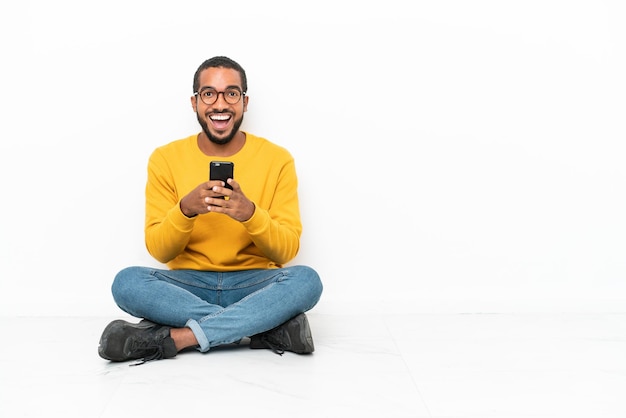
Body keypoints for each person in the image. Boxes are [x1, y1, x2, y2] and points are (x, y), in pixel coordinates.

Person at [98, 56, 323, 364]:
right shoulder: (165, 159)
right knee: (127, 283)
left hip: (253, 284)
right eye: (209, 94)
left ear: (245, 102)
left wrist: (250, 213)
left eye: (231, 93)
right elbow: (159, 251)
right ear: (194, 102)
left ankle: (178, 339)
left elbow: (287, 252)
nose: (221, 104)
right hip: (189, 287)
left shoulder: (277, 159)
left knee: (307, 281)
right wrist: (185, 210)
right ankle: (262, 327)